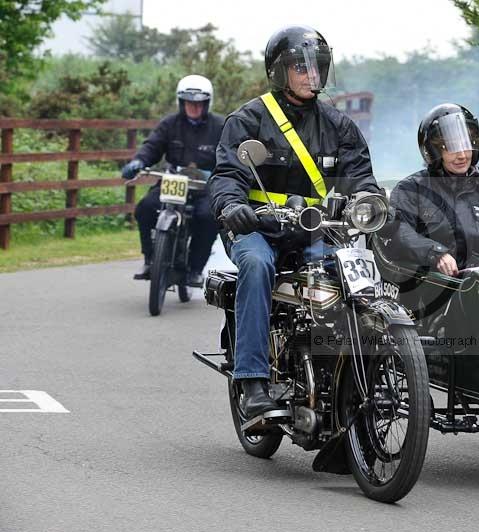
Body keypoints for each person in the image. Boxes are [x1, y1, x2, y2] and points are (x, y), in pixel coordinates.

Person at [209, 26, 379, 419]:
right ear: (279, 72)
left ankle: (353, 371)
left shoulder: (339, 125)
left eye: (316, 67)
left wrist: (367, 202)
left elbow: (360, 178)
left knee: (346, 272)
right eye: (300, 68)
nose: (311, 75)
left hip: (315, 229)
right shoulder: (249, 119)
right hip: (257, 229)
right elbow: (226, 175)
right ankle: (252, 381)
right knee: (256, 264)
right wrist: (232, 206)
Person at [388, 103, 479, 276]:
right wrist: (436, 254)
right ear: (433, 151)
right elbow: (399, 234)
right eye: (451, 148)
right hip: (431, 290)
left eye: (466, 145)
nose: (462, 155)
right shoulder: (411, 191)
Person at [121, 74, 224, 286]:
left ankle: (196, 269)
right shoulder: (169, 124)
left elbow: (230, 155)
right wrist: (138, 162)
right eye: (189, 102)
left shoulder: (221, 126)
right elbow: (152, 146)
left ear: (207, 104)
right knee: (145, 208)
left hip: (205, 186)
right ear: (181, 102)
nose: (193, 107)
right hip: (173, 182)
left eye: (199, 103)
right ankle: (150, 259)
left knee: (208, 217)